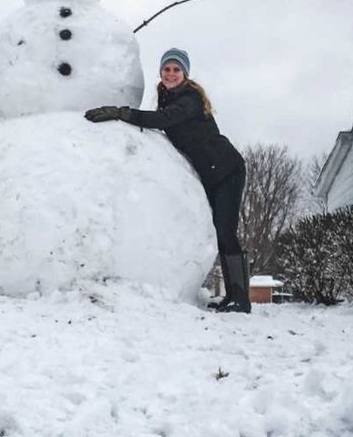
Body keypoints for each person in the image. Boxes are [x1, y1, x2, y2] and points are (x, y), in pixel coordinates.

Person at [85, 48, 250, 313]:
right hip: (208, 172)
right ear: (161, 73)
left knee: (225, 232)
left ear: (185, 74)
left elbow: (164, 120)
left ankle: (241, 299)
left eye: (176, 69)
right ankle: (232, 296)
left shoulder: (190, 98)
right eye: (166, 69)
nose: (171, 74)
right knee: (218, 232)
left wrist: (121, 112)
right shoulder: (168, 97)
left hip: (227, 170)